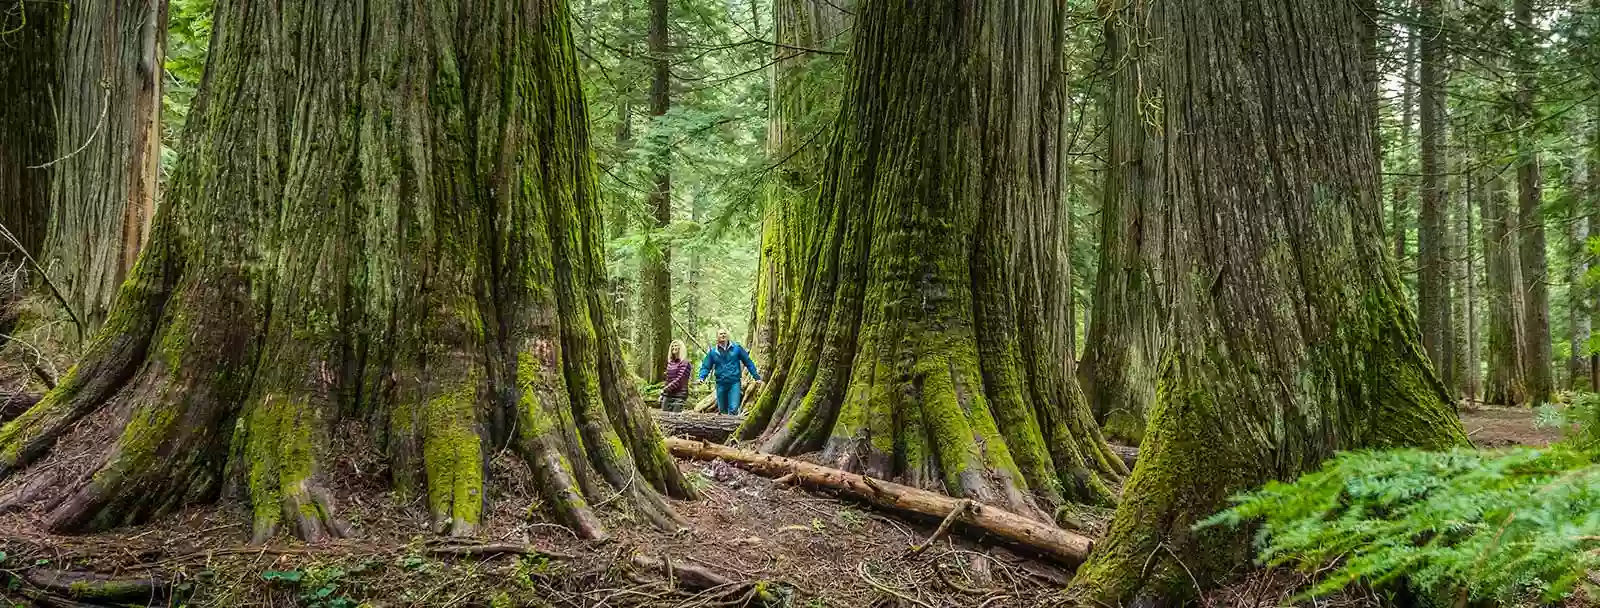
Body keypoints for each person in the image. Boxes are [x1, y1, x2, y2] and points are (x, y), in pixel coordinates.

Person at [697, 328, 760, 415]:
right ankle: (724, 427)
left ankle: (733, 426)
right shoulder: (713, 352)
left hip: (734, 383)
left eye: (724, 333)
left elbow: (748, 362)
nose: (723, 335)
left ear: (727, 336)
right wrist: (702, 377)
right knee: (722, 410)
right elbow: (706, 366)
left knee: (733, 408)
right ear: (717, 337)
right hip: (720, 384)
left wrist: (756, 376)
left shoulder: (736, 348)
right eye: (720, 334)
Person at [660, 340, 690, 412]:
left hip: (679, 395)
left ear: (681, 348)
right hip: (668, 394)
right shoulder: (670, 363)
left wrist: (665, 389)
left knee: (675, 418)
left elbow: (679, 379)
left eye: (676, 345)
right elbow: (668, 379)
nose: (674, 347)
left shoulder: (685, 363)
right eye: (672, 346)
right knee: (665, 416)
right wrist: (663, 394)